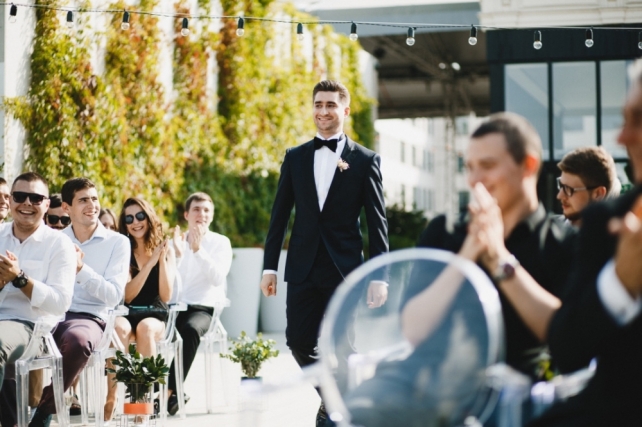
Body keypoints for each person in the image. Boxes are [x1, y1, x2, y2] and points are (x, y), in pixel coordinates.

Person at [408, 113, 576, 381]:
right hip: (432, 387)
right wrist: (466, 255)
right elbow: (412, 330)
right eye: (469, 167)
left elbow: (569, 338)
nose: (474, 179)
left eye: (487, 165)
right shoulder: (444, 231)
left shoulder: (563, 243)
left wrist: (499, 258)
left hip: (522, 392)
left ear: (528, 165)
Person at [260, 80, 389, 425]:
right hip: (302, 267)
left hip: (344, 270)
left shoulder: (365, 160)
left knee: (343, 347)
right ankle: (337, 400)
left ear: (345, 110)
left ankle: (337, 415)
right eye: (318, 104)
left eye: (330, 105)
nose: (323, 111)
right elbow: (279, 217)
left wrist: (380, 276)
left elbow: (377, 223)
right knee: (298, 341)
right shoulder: (295, 157)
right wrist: (269, 268)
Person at [529, 65, 642, 427]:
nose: (623, 136)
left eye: (639, 119)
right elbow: (568, 348)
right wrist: (619, 283)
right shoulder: (605, 225)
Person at [29, 178, 130, 427]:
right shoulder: (54, 239)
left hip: (89, 318)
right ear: (67, 207)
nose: (92, 205)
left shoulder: (118, 242)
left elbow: (113, 296)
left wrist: (81, 269)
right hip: (48, 314)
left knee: (78, 341)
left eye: (94, 198)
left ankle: (44, 409)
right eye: (83, 200)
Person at [0, 173, 75, 422]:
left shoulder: (59, 244)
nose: (27, 203)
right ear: (11, 200)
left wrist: (20, 279)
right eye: (20, 196)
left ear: (46, 204)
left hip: (30, 326)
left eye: (35, 198)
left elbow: (60, 302)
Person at [165, 192, 232, 415]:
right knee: (147, 328)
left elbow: (217, 278)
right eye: (196, 209)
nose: (201, 214)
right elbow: (167, 282)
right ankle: (166, 393)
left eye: (206, 210)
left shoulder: (221, 243)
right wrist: (177, 255)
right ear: (186, 215)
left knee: (190, 330)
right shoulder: (174, 242)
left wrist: (197, 250)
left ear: (211, 216)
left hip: (203, 309)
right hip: (173, 308)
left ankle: (168, 391)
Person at [114, 197, 176, 356]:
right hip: (129, 313)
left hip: (156, 315)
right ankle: (121, 373)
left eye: (140, 216)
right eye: (129, 219)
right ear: (125, 225)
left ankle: (147, 374)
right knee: (118, 328)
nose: (135, 222)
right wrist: (149, 264)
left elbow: (166, 296)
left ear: (148, 218)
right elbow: (128, 296)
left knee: (145, 328)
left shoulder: (167, 250)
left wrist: (160, 260)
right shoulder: (123, 251)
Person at [556, 146, 621, 227]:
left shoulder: (619, 233)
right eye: (561, 186)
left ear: (598, 193)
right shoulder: (549, 230)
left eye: (568, 189)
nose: (559, 196)